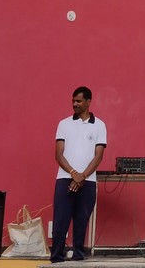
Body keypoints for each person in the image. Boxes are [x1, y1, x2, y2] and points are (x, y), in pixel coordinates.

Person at [51, 86, 107, 263]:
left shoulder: (99, 125)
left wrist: (82, 176)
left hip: (88, 181)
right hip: (65, 179)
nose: (74, 104)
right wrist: (74, 173)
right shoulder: (64, 124)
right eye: (73, 101)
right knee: (61, 220)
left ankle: (78, 258)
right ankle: (56, 258)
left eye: (78, 101)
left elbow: (98, 156)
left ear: (88, 102)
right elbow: (59, 154)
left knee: (81, 221)